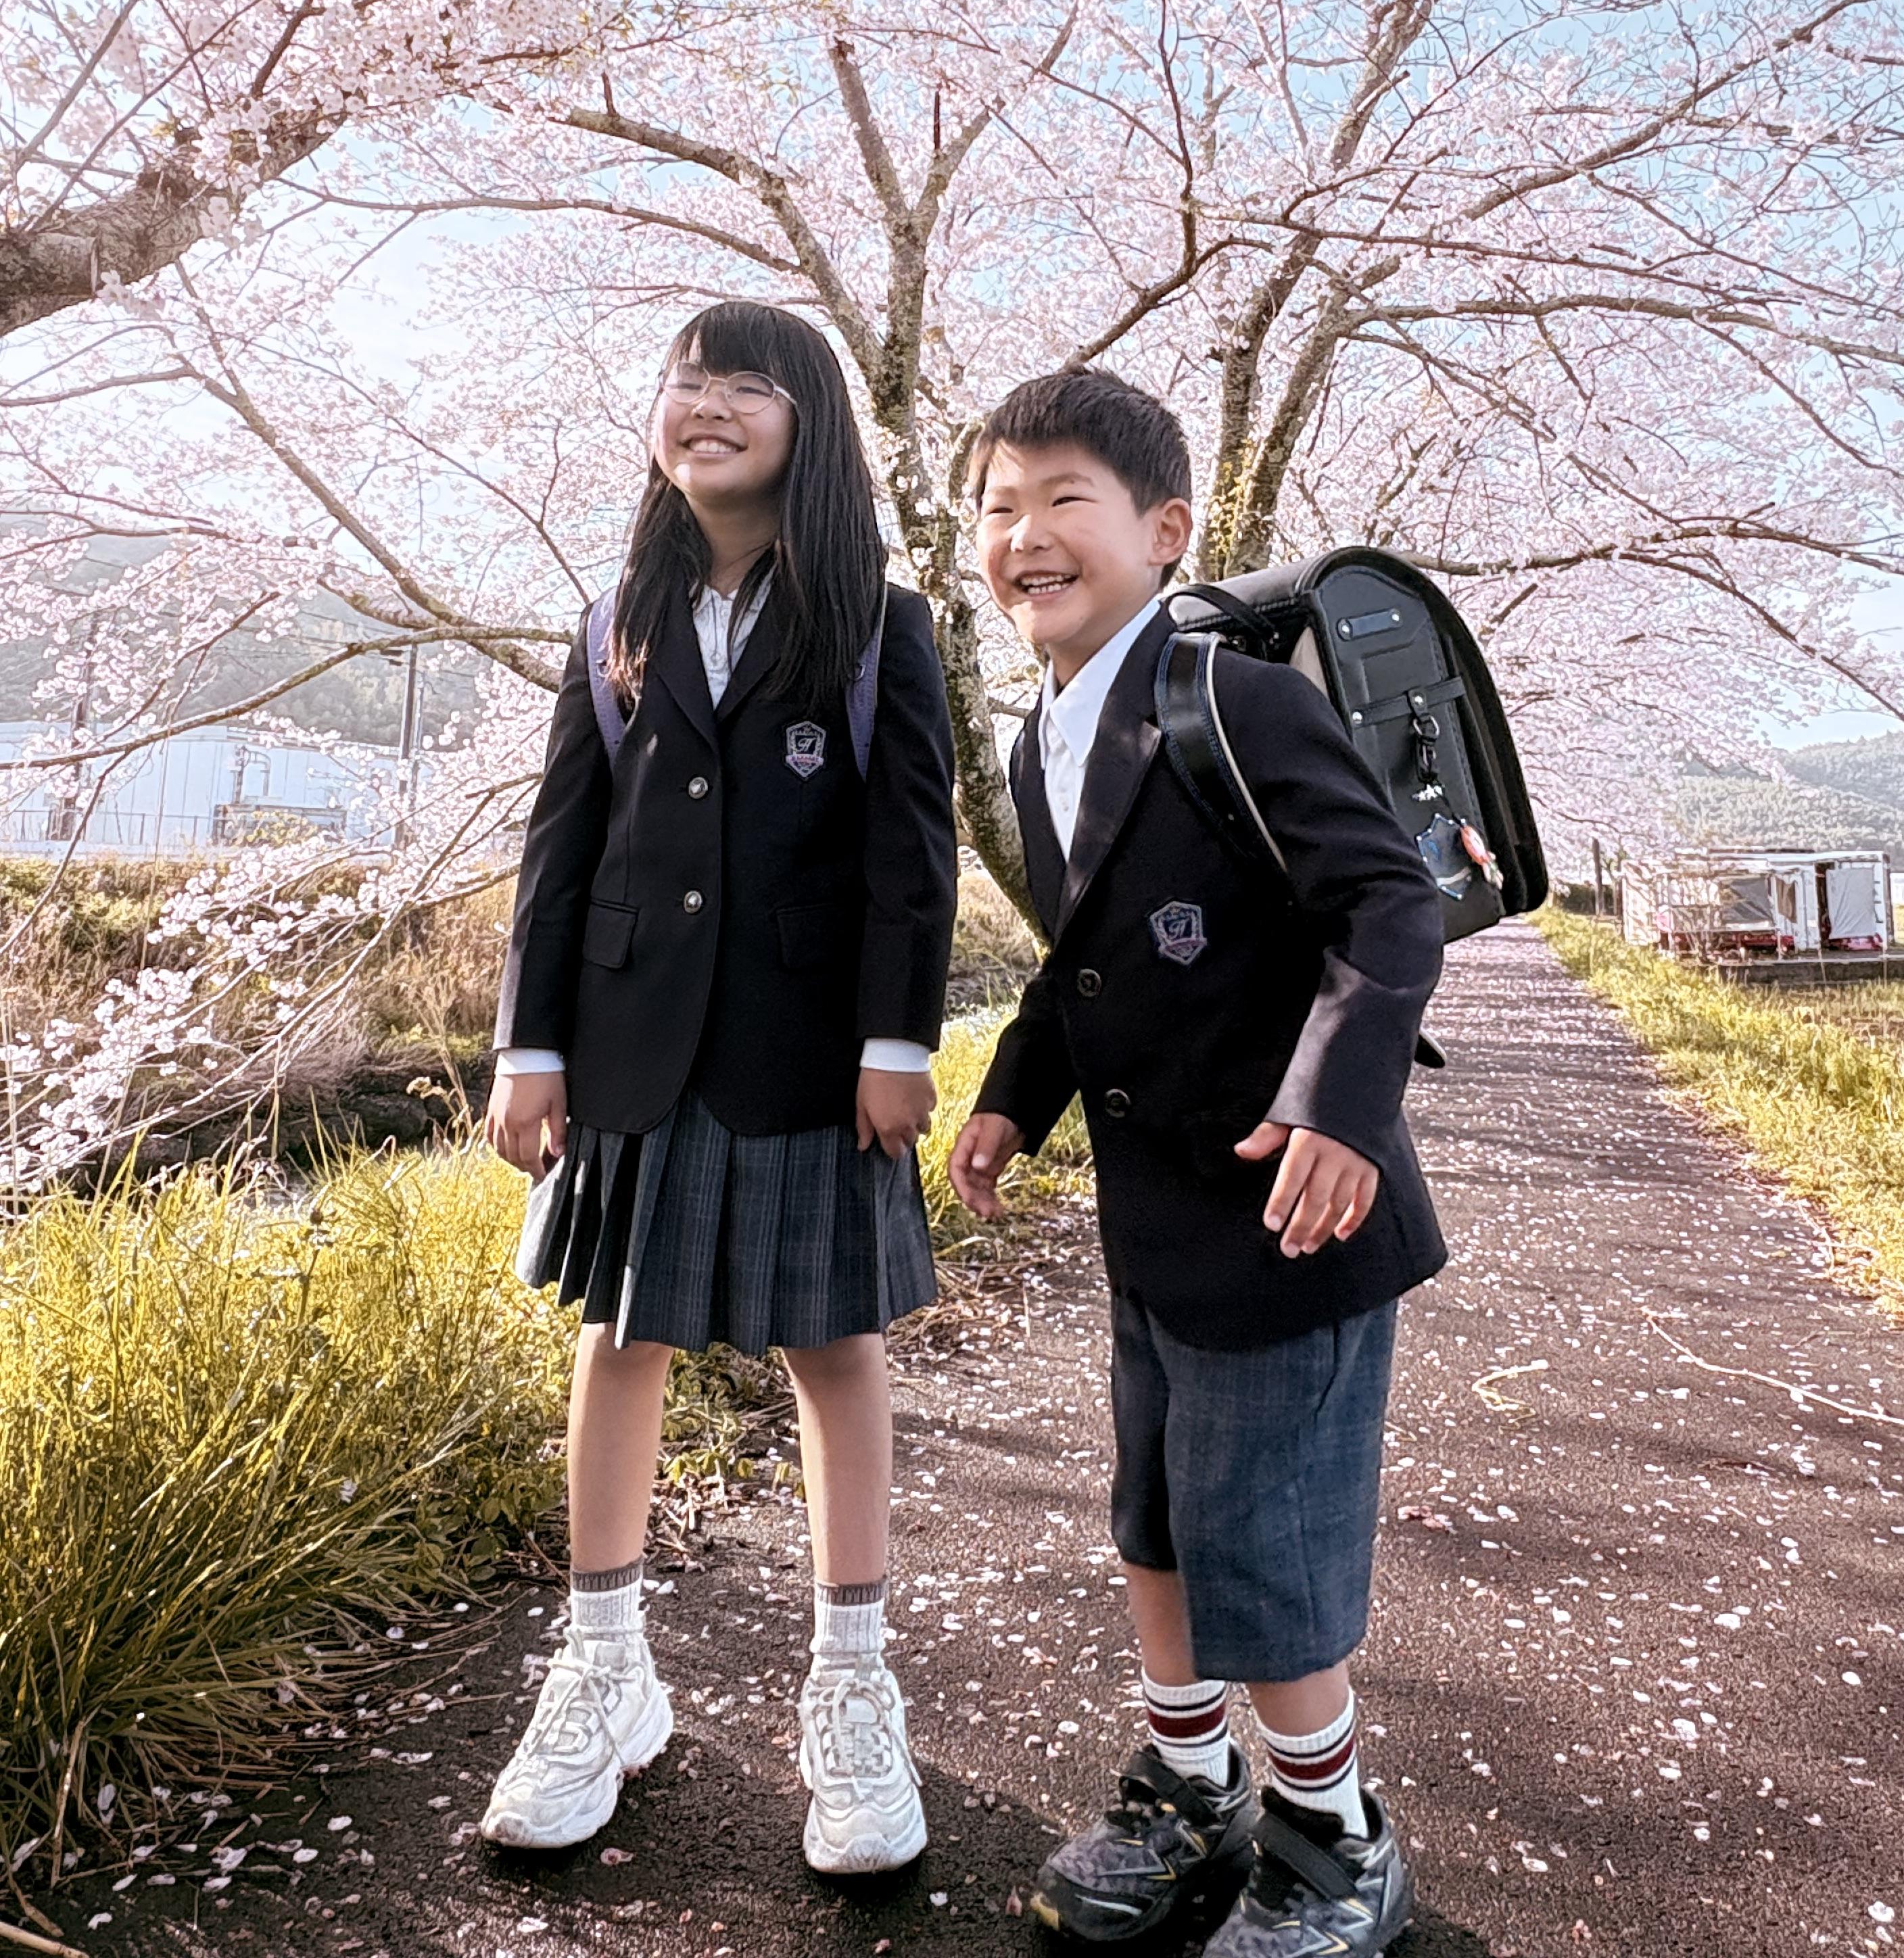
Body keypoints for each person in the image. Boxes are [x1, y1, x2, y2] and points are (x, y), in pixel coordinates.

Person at [948, 368, 1444, 1958]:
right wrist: (1012, 1098)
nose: (1025, 535)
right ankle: (1189, 1784)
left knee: (1267, 1550)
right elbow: (1077, 958)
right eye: (999, 507)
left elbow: (1389, 901)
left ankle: (1335, 1838)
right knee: (1156, 1516)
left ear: (1165, 531)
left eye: (1064, 500)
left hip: (1294, 1217)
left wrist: (1341, 1109)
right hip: (1155, 1221)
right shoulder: (1037, 740)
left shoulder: (1231, 700)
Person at [482, 301, 957, 1876]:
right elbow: (561, 847)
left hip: (814, 1049)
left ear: (810, 420)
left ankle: (853, 1685)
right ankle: (603, 1672)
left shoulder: (877, 624)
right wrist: (528, 1045)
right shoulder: (616, 617)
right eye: (687, 379)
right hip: (632, 1045)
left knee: (836, 1348)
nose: (707, 403)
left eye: (747, 381)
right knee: (622, 1339)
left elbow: (913, 852)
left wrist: (900, 1043)